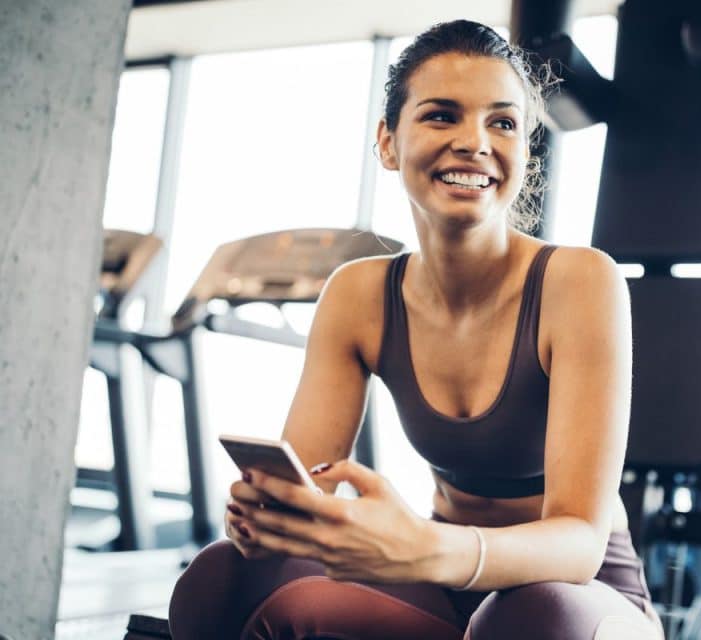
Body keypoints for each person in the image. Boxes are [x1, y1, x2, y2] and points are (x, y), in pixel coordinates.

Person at [168, 19, 663, 640]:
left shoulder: (580, 282)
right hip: (441, 587)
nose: (475, 142)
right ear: (388, 142)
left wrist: (427, 549)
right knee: (225, 574)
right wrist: (269, 519)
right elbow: (309, 489)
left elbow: (580, 545)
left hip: (582, 599)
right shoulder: (360, 293)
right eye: (441, 115)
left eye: (502, 122)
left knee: (533, 617)